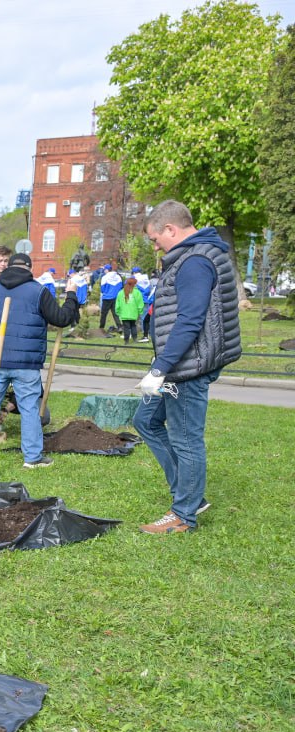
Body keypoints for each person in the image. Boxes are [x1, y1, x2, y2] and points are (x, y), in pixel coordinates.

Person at [134, 200, 241, 534]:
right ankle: (190, 493)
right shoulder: (193, 256)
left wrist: (159, 368)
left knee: (185, 438)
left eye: (155, 239)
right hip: (176, 365)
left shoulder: (195, 261)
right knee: (146, 420)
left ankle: (184, 514)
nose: (155, 246)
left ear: (171, 229)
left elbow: (191, 319)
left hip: (187, 368)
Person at [0, 252, 80, 468]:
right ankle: (32, 457)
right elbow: (62, 319)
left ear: (9, 267)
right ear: (29, 268)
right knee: (29, 408)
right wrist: (71, 295)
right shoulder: (38, 291)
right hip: (26, 362)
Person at [115, 276, 145, 343]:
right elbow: (140, 304)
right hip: (134, 313)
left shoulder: (120, 292)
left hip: (124, 314)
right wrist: (140, 311)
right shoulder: (137, 292)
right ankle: (135, 339)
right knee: (133, 326)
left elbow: (117, 304)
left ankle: (126, 341)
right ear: (134, 284)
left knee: (126, 328)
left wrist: (118, 312)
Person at [99, 264, 125, 331]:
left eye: (104, 270)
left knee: (104, 314)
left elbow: (102, 289)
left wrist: (106, 292)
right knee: (115, 313)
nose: (104, 271)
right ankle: (119, 326)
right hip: (116, 297)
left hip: (107, 297)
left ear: (107, 270)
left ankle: (101, 327)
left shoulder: (104, 277)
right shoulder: (118, 277)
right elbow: (121, 287)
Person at [138, 275, 156, 341]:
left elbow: (151, 297)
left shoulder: (139, 285)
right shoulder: (148, 285)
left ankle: (146, 335)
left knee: (146, 320)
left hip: (151, 305)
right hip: (150, 304)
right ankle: (147, 334)